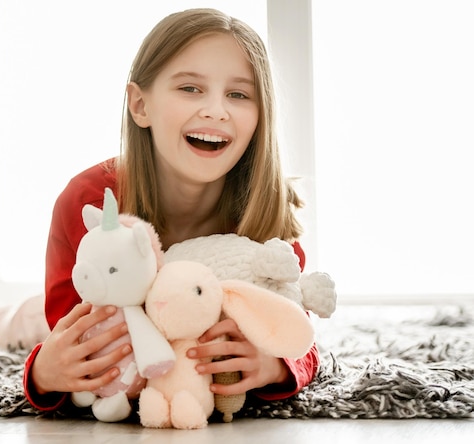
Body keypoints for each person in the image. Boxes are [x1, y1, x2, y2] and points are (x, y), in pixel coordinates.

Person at [24, 8, 318, 414]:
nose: (216, 110)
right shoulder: (89, 203)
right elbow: (66, 335)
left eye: (238, 94)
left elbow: (300, 334)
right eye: (191, 89)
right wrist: (41, 372)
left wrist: (276, 366)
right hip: (67, 311)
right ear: (140, 105)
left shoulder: (265, 220)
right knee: (11, 325)